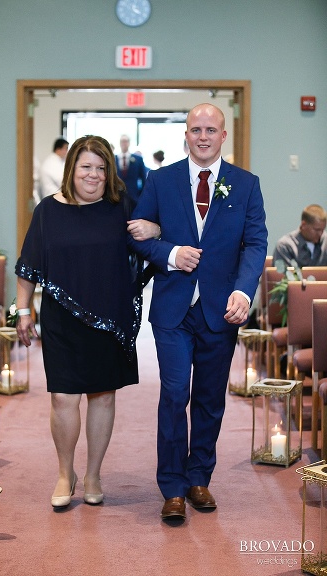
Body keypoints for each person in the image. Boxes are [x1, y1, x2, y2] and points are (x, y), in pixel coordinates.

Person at [128, 103, 267, 522]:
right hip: (172, 308)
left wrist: (244, 291)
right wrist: (170, 252)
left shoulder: (246, 184)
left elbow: (255, 243)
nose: (203, 136)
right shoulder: (161, 180)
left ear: (224, 136)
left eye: (211, 129)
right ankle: (171, 486)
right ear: (185, 136)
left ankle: (198, 477)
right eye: (195, 130)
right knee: (174, 394)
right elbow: (137, 233)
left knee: (209, 398)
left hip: (221, 310)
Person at [15, 135, 146, 510]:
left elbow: (149, 240)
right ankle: (64, 472)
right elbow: (29, 265)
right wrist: (23, 310)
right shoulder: (47, 211)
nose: (94, 175)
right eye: (86, 167)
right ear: (72, 168)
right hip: (61, 317)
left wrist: (152, 230)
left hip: (109, 318)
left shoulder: (121, 209)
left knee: (103, 396)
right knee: (63, 397)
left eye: (101, 168)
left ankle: (93, 474)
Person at [272, 204, 327, 268]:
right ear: (303, 225)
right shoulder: (285, 246)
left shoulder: (325, 241)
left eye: (322, 230)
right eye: (317, 230)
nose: (320, 234)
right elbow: (282, 276)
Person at [116, 135, 148, 203]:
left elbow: (143, 178)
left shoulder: (138, 159)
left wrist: (141, 195)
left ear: (129, 143)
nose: (124, 143)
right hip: (117, 195)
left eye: (126, 141)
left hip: (134, 196)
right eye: (122, 141)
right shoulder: (113, 159)